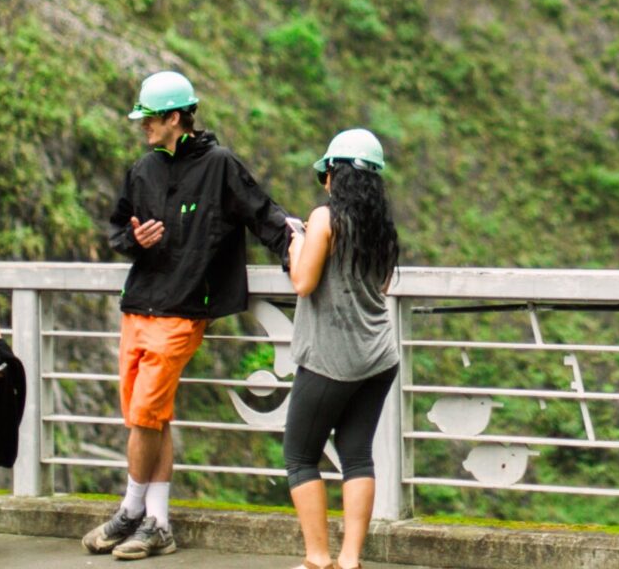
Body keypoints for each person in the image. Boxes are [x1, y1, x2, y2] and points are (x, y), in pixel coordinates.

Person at [82, 71, 301, 560]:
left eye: (150, 118)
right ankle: (158, 523)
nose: (143, 125)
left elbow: (264, 215)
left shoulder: (220, 165)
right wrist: (133, 240)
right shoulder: (143, 169)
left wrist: (300, 251)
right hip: (138, 304)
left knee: (145, 414)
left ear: (176, 118)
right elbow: (117, 229)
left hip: (182, 310)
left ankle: (130, 509)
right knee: (148, 417)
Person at [282, 128, 400, 569]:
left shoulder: (325, 219)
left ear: (335, 173)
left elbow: (303, 281)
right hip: (379, 356)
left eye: (325, 174)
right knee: (356, 455)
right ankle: (350, 561)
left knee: (300, 456)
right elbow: (381, 286)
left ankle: (318, 558)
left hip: (332, 359)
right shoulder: (381, 228)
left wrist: (298, 241)